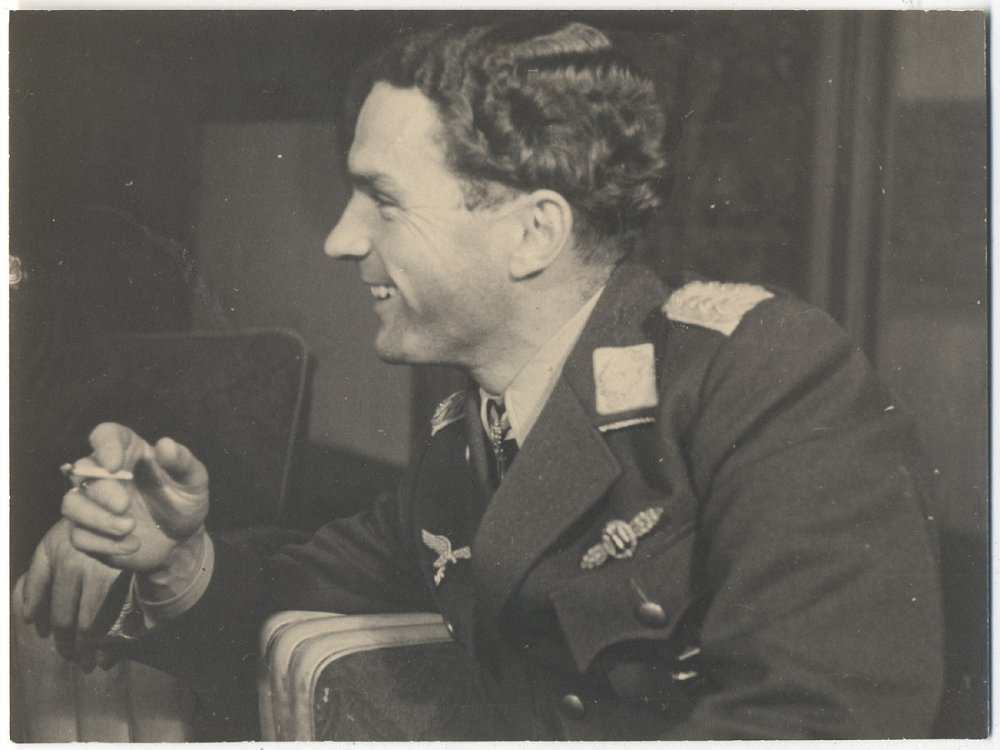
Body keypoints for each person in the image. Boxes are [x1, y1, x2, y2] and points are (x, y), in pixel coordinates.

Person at [16, 20, 944, 740]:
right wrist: (168, 556)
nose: (340, 239)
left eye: (381, 199)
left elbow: (824, 723)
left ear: (533, 232)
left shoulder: (761, 379)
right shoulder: (468, 448)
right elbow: (286, 593)